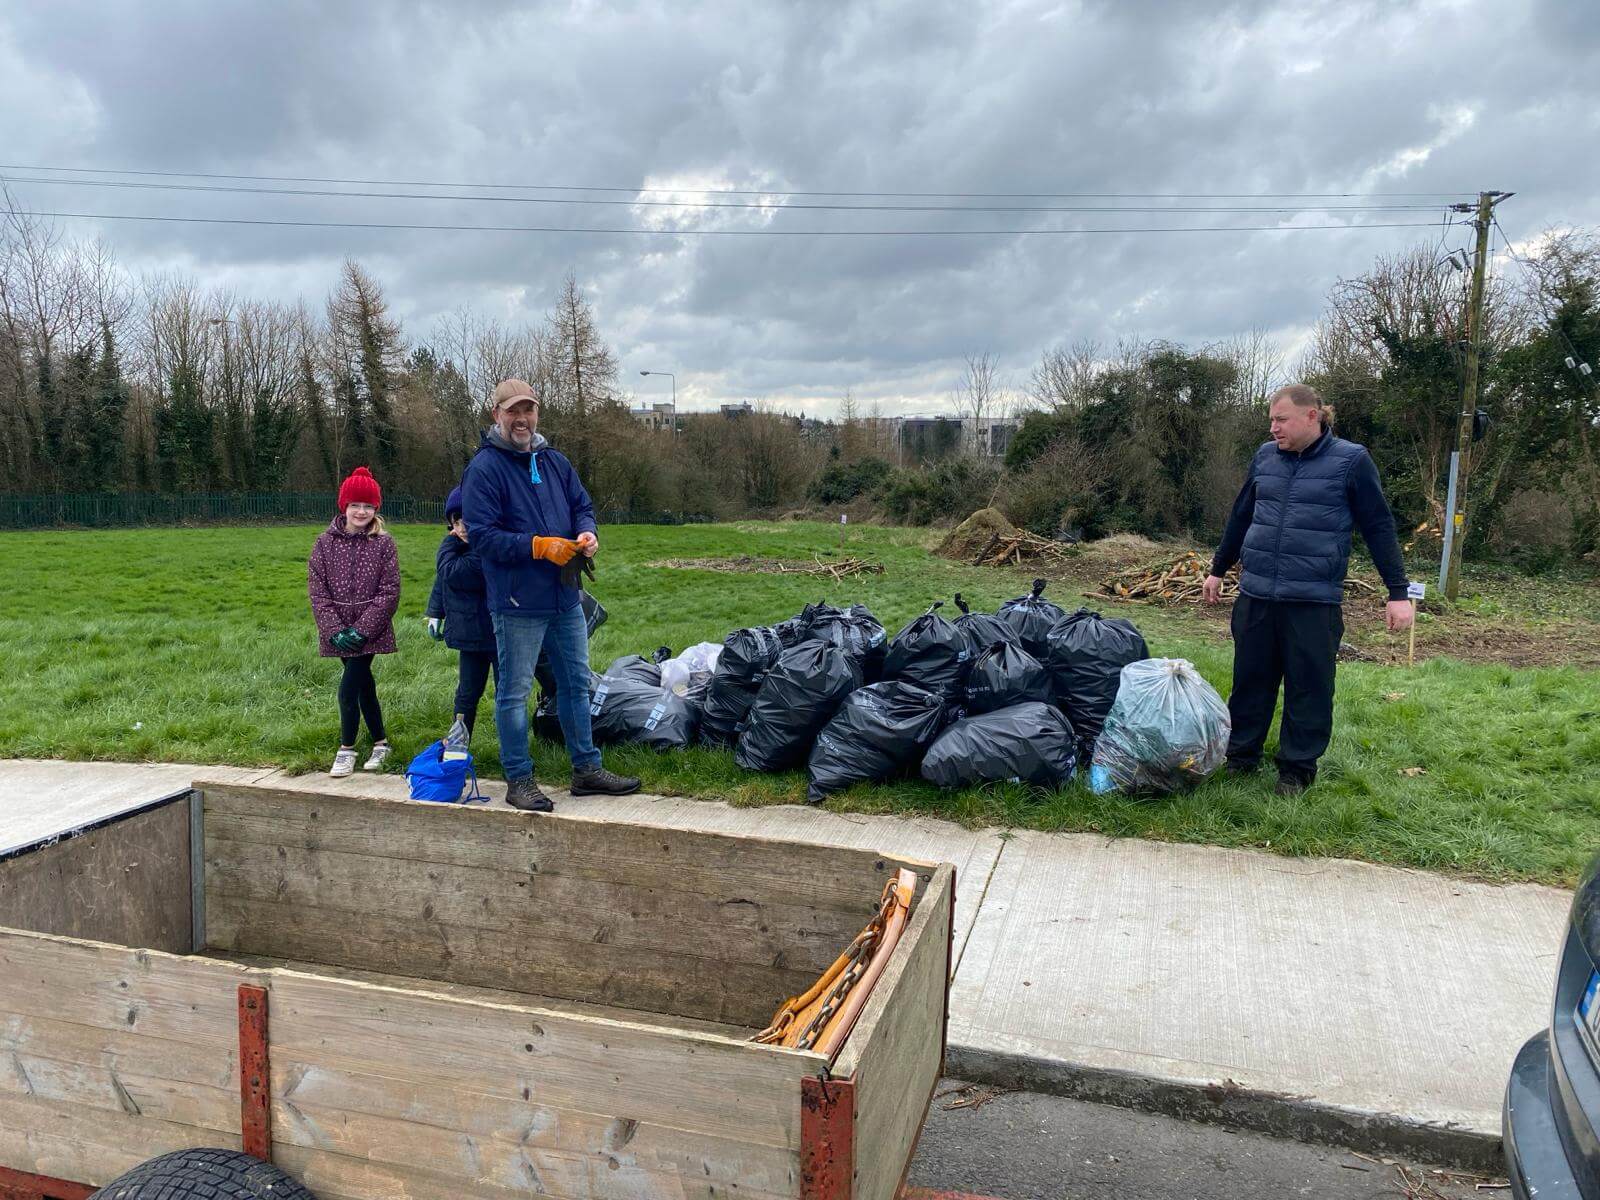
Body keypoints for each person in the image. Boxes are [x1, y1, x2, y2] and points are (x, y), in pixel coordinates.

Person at [1202, 384, 1414, 796]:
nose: (1273, 428)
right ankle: (1240, 758)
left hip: (1313, 600)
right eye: (1271, 420)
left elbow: (1379, 527)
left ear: (1312, 416)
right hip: (1258, 595)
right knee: (1250, 681)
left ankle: (1296, 771)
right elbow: (1241, 514)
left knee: (1309, 686)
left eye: (1281, 419)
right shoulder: (1265, 458)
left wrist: (1398, 592)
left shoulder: (1351, 461)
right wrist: (1218, 568)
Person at [461, 378, 640, 811]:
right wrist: (537, 546)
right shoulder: (484, 469)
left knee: (576, 684)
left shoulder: (555, 461)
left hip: (565, 597)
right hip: (518, 602)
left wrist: (587, 532)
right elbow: (482, 537)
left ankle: (586, 770)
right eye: (513, 411)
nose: (522, 419)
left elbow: (583, 505)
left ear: (537, 413)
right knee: (514, 691)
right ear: (496, 415)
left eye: (529, 410)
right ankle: (519, 779)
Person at [308, 466, 401, 778]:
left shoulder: (383, 544)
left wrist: (362, 630)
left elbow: (390, 591)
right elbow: (317, 590)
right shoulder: (323, 543)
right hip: (338, 631)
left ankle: (346, 748)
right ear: (344, 506)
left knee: (348, 690)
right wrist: (335, 631)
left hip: (369, 632)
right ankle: (381, 742)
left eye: (368, 506)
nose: (361, 512)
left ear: (376, 509)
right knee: (364, 687)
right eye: (355, 505)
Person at [424, 485, 498, 741]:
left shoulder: (487, 549)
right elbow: (442, 581)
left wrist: (447, 546)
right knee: (467, 692)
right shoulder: (454, 548)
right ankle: (458, 741)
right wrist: (436, 612)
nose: (463, 526)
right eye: (457, 521)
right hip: (470, 634)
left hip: (500, 632)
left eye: (470, 519)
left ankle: (511, 745)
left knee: (507, 693)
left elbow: (454, 573)